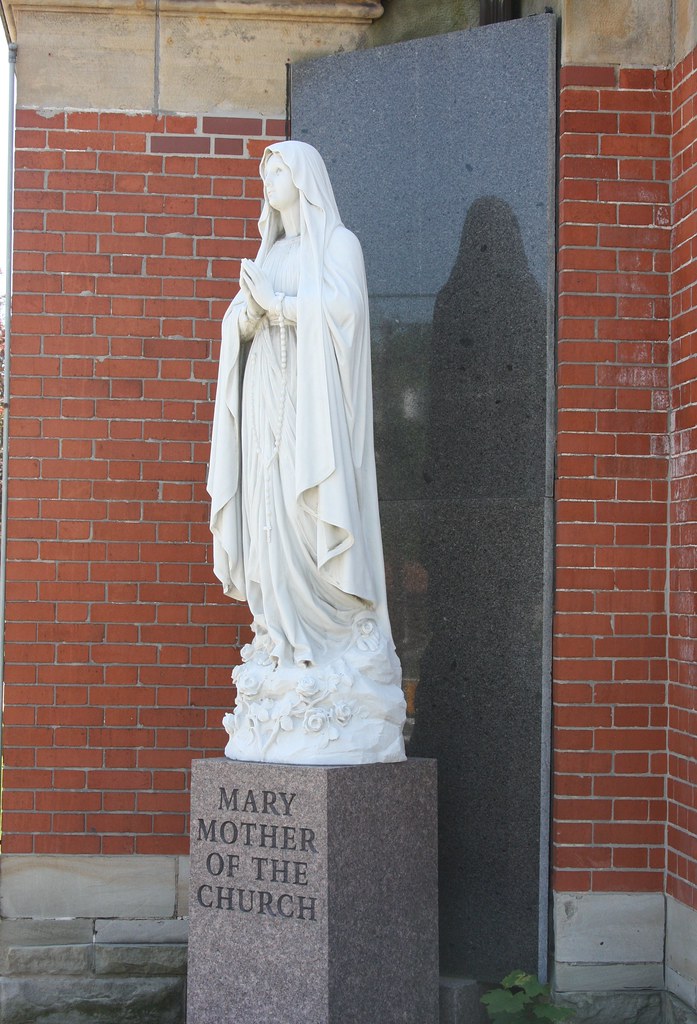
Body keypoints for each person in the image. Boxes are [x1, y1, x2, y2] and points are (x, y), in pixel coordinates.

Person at [208, 140, 406, 765]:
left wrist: (280, 307)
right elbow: (237, 326)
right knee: (268, 519)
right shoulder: (272, 250)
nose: (268, 180)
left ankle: (327, 642)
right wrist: (245, 317)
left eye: (278, 170)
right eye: (264, 172)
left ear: (305, 179)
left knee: (302, 511)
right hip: (266, 401)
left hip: (313, 418)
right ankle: (284, 642)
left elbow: (346, 312)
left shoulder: (339, 245)